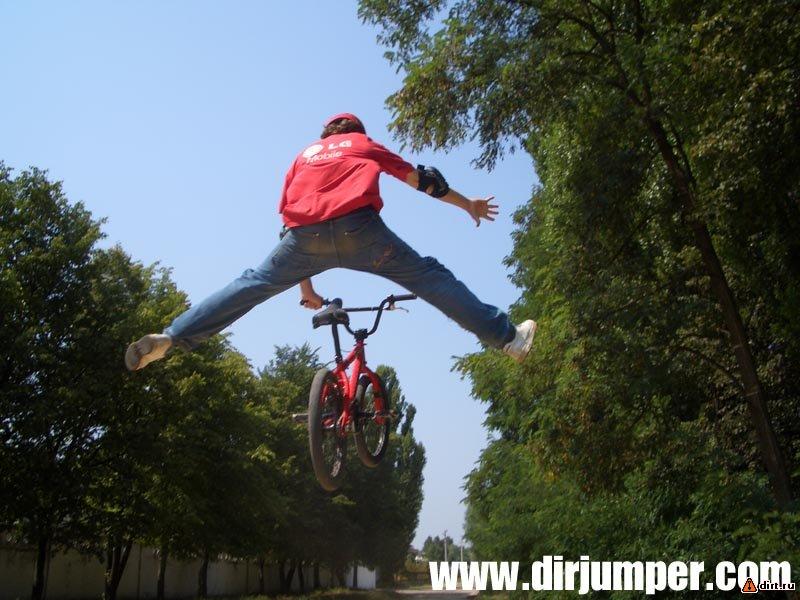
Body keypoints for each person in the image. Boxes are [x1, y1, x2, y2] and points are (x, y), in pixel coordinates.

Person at [125, 113, 536, 371]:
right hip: (362, 232)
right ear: (356, 131)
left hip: (304, 241)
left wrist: (305, 288)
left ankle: (170, 337)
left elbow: (289, 222)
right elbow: (423, 181)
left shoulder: (302, 157)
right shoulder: (363, 144)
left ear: (325, 134)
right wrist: (467, 204)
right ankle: (508, 339)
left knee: (250, 285)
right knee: (430, 278)